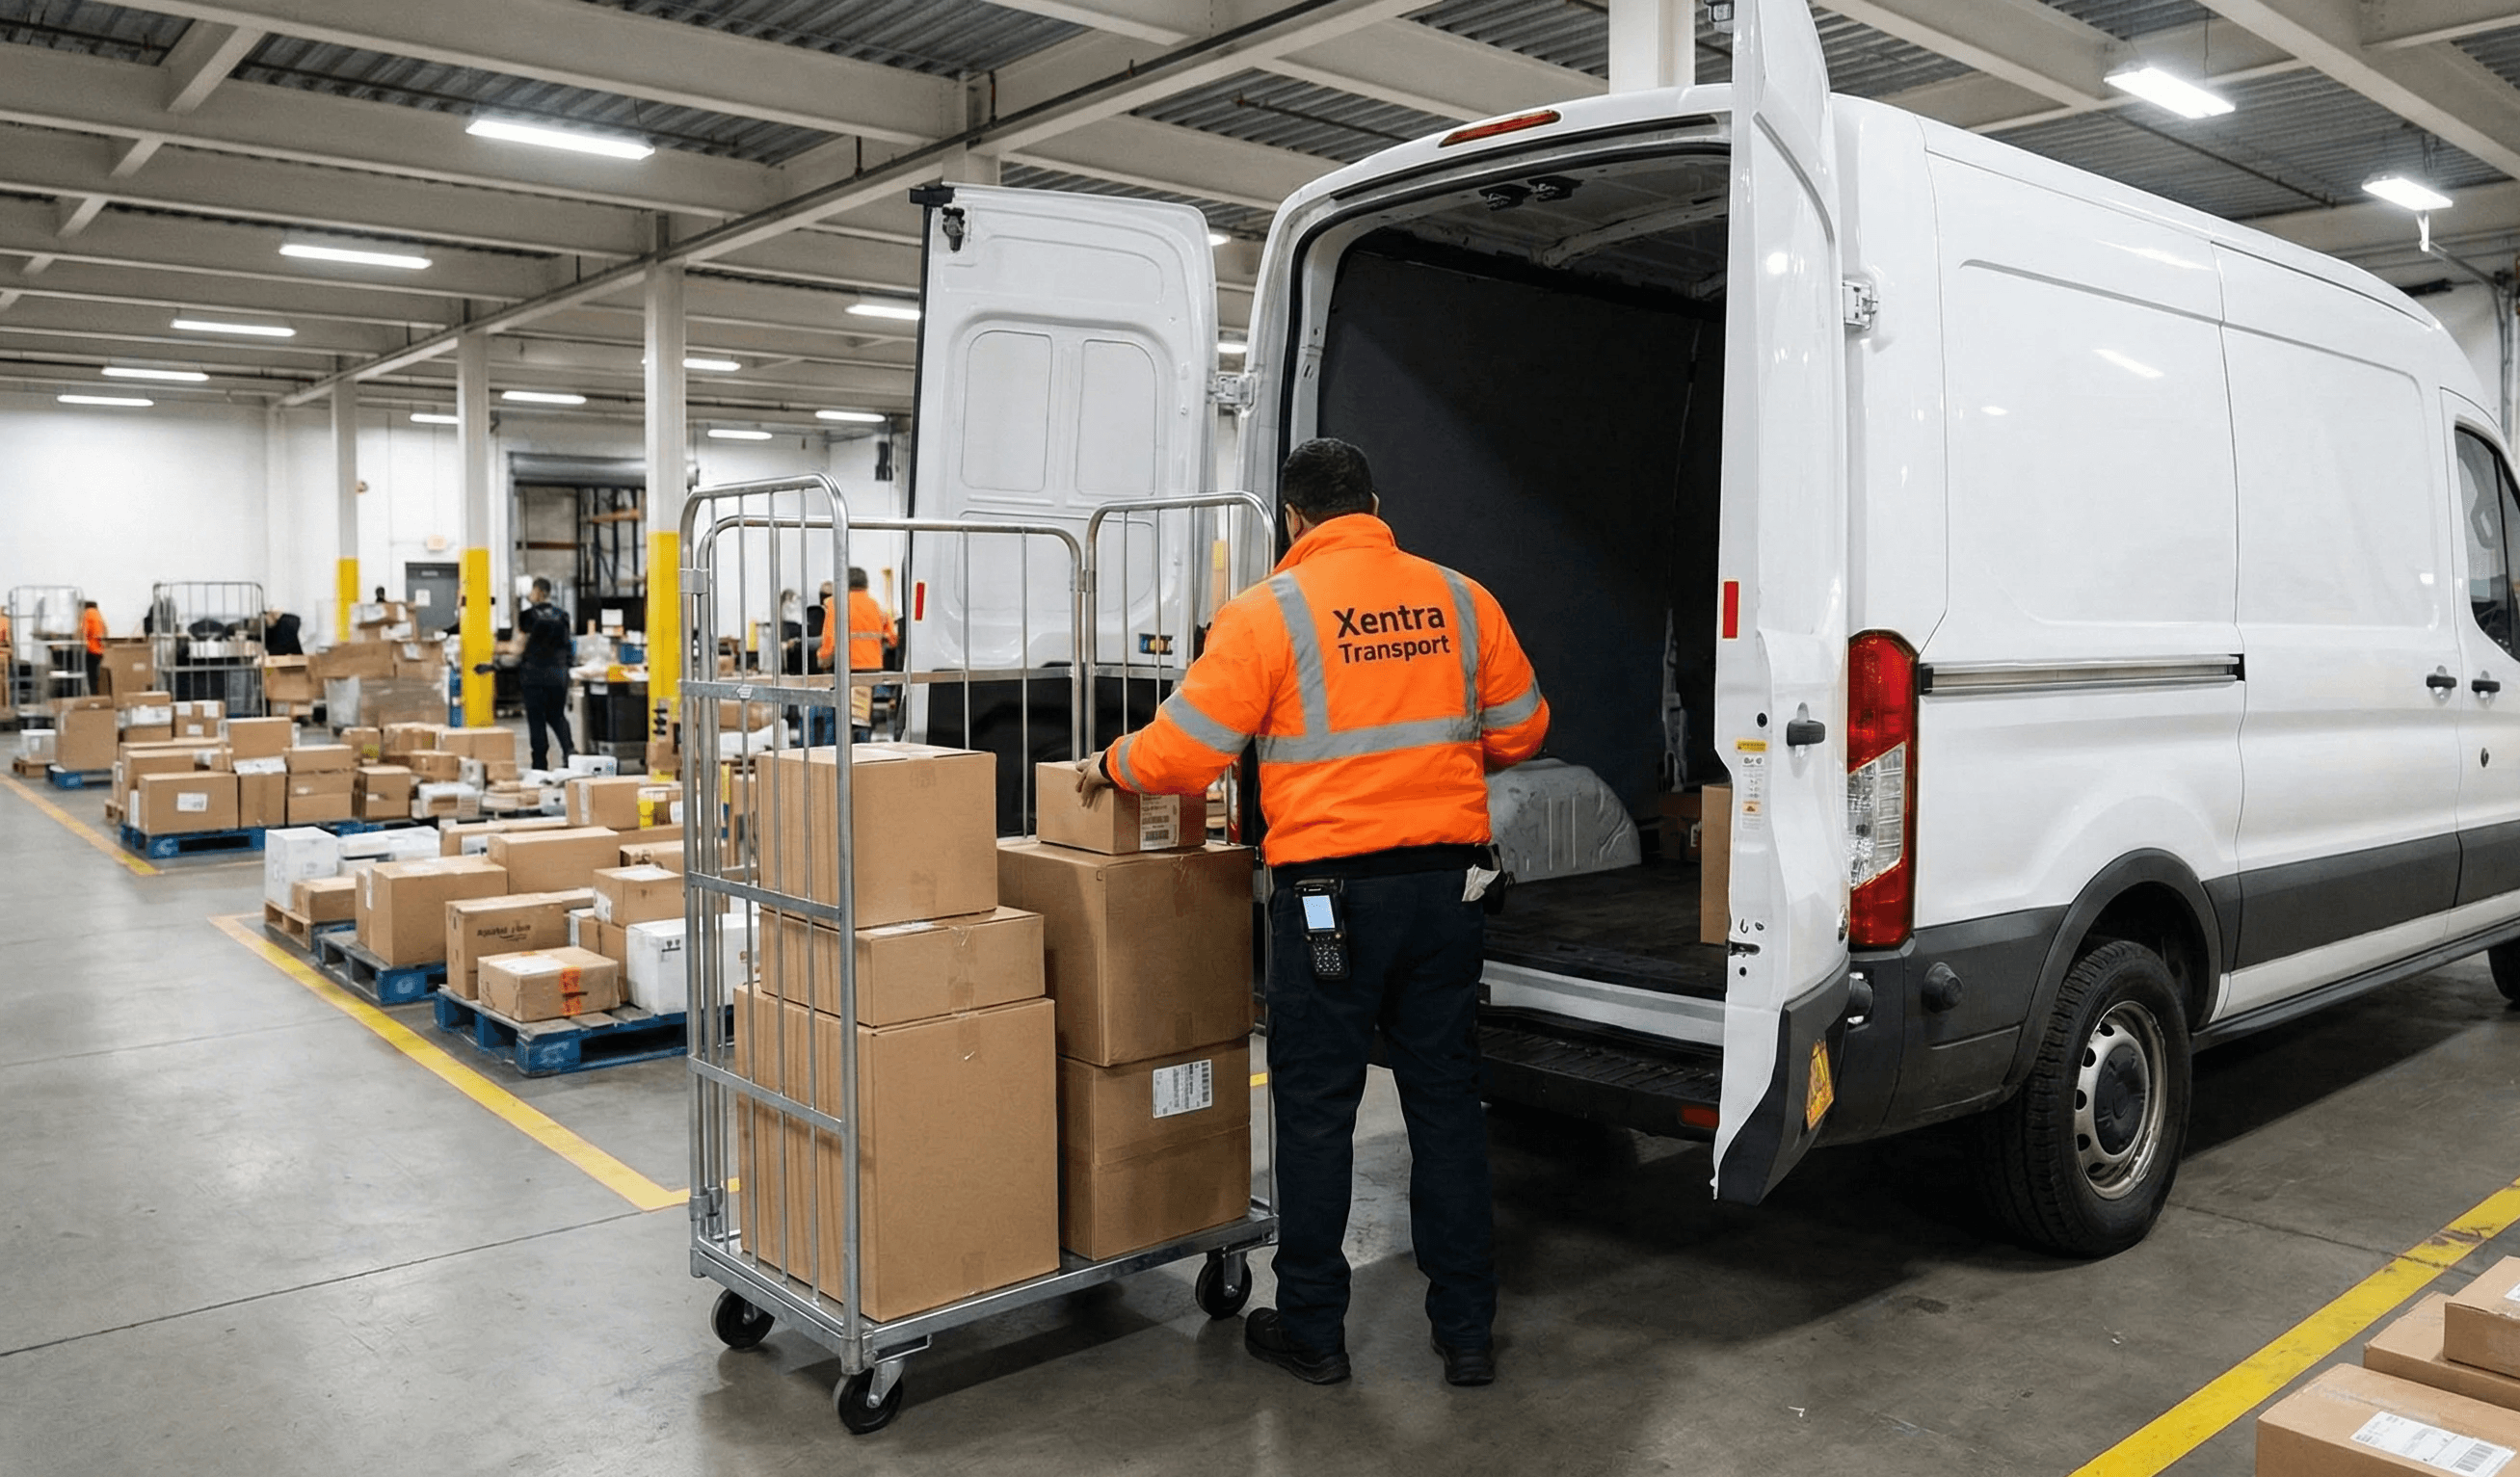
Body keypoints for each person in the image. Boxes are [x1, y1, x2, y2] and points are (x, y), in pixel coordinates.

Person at [1076, 438, 1549, 1389]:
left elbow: (1184, 757)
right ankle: (1465, 1334)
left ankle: (1314, 1332)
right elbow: (1523, 729)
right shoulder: (1463, 599)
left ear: (1292, 518)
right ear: (1372, 502)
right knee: (1446, 1104)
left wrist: (1108, 763)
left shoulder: (1267, 613)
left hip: (1331, 901)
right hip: (1448, 889)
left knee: (1317, 1106)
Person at [819, 567, 897, 742]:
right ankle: (863, 752)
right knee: (861, 717)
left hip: (847, 669)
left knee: (837, 719)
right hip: (871, 670)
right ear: (866, 584)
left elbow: (829, 639)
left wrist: (822, 659)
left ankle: (833, 753)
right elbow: (893, 639)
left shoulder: (836, 604)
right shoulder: (876, 606)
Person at [505, 579, 575, 770]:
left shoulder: (528, 615)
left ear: (538, 591)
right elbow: (567, 644)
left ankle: (540, 765)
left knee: (536, 719)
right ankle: (570, 752)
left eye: (532, 591)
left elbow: (518, 647)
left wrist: (496, 650)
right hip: (559, 674)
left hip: (535, 675)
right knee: (557, 715)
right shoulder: (563, 615)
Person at [80, 599, 106, 695]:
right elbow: (104, 632)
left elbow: (83, 631)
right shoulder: (98, 614)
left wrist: (83, 643)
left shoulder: (87, 613)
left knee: (91, 676)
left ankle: (92, 695)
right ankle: (96, 694)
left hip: (91, 649)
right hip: (99, 649)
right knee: (96, 676)